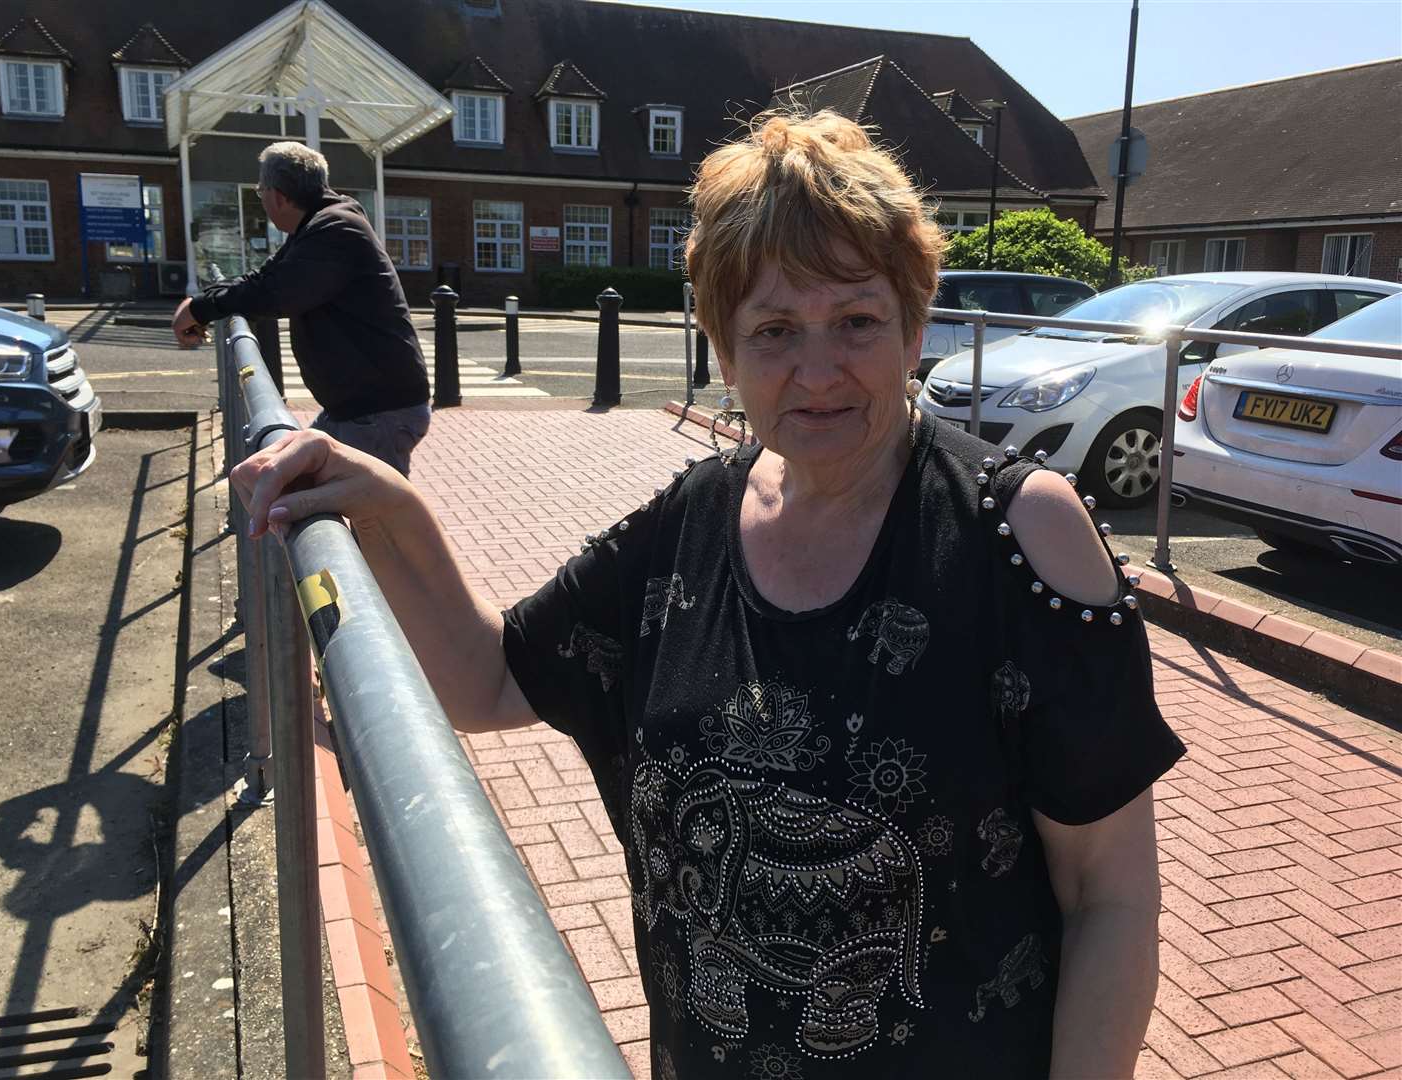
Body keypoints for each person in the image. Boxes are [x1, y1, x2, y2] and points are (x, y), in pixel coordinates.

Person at [232, 111, 1185, 1077]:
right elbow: (485, 682)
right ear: (723, 351)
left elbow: (1108, 893)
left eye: (857, 319)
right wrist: (389, 507)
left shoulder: (1020, 537)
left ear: (915, 322)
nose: (818, 371)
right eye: (774, 330)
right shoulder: (692, 521)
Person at [172, 141, 431, 477]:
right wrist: (201, 303)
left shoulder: (335, 229)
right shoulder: (316, 228)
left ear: (277, 195)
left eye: (260, 191)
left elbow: (277, 293)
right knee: (310, 491)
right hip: (359, 407)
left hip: (378, 410)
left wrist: (202, 308)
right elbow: (264, 277)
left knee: (375, 521)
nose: (261, 199)